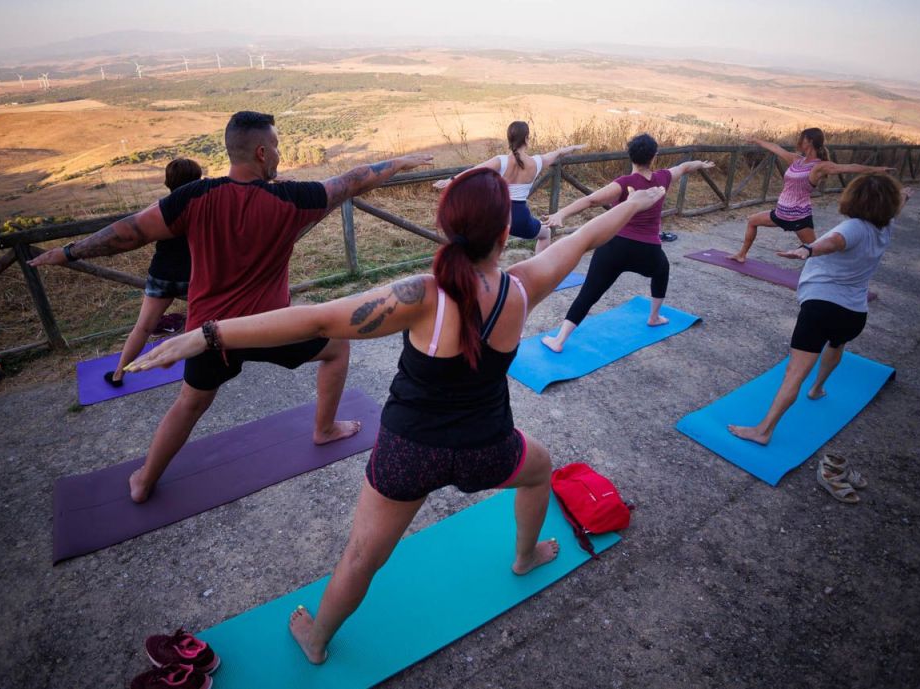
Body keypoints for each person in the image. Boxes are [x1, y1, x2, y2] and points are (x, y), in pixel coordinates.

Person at [126, 168, 668, 664]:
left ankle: (316, 638)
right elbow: (587, 236)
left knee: (362, 556)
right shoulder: (524, 286)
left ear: (444, 227)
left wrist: (208, 332)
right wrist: (636, 201)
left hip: (409, 457)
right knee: (539, 470)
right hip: (488, 448)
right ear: (506, 235)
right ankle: (524, 558)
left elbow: (316, 321)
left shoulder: (419, 297)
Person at [30, 111, 433, 503]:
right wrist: (399, 161)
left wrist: (69, 251)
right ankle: (324, 429)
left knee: (190, 404)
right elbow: (352, 181)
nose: (278, 154)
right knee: (337, 348)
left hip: (207, 337)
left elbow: (129, 232)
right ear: (261, 152)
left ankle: (144, 479)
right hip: (273, 329)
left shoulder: (193, 197)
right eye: (275, 146)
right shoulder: (292, 199)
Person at [727, 173, 908, 496]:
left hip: (822, 308)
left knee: (793, 374)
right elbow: (899, 203)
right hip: (854, 313)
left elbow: (834, 242)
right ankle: (819, 389)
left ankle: (763, 430)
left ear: (853, 199)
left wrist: (808, 250)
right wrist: (903, 195)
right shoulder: (886, 227)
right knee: (836, 346)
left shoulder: (854, 227)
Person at [537, 133, 714, 353]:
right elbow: (685, 167)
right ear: (654, 156)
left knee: (589, 293)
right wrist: (701, 164)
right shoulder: (663, 178)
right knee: (662, 270)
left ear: (630, 156)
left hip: (613, 246)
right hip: (648, 250)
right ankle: (654, 316)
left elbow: (591, 200)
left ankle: (559, 340)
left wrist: (562, 213)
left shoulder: (624, 183)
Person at [103, 158, 203, 388]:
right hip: (194, 276)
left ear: (168, 182)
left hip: (162, 274)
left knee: (144, 327)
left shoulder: (160, 207)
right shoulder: (203, 207)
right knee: (204, 324)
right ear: (198, 180)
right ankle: (205, 370)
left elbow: (134, 229)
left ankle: (119, 374)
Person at [729, 128, 894, 263]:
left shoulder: (819, 167)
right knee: (752, 221)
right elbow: (776, 148)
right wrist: (757, 141)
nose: (799, 142)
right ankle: (741, 255)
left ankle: (831, 277)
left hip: (799, 218)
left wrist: (877, 170)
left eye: (802, 139)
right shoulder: (796, 160)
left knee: (815, 251)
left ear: (810, 141)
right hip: (780, 213)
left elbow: (849, 167)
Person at [433, 120, 584, 254]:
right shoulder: (536, 162)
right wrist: (574, 147)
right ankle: (537, 269)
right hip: (520, 217)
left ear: (509, 138)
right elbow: (557, 153)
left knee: (487, 248)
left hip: (496, 214)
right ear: (526, 138)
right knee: (545, 234)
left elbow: (474, 171)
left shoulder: (501, 161)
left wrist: (451, 180)